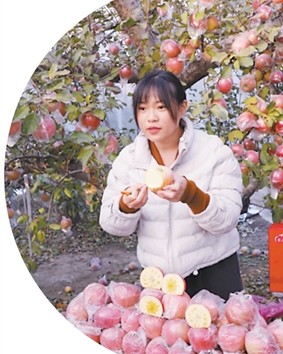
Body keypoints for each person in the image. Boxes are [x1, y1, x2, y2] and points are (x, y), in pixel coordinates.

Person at [99, 69, 244, 301]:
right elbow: (109, 223)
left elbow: (227, 219)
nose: (151, 118)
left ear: (182, 107)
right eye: (142, 108)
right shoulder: (129, 160)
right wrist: (126, 206)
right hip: (159, 280)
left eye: (161, 107)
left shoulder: (213, 152)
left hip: (213, 272)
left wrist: (191, 195)